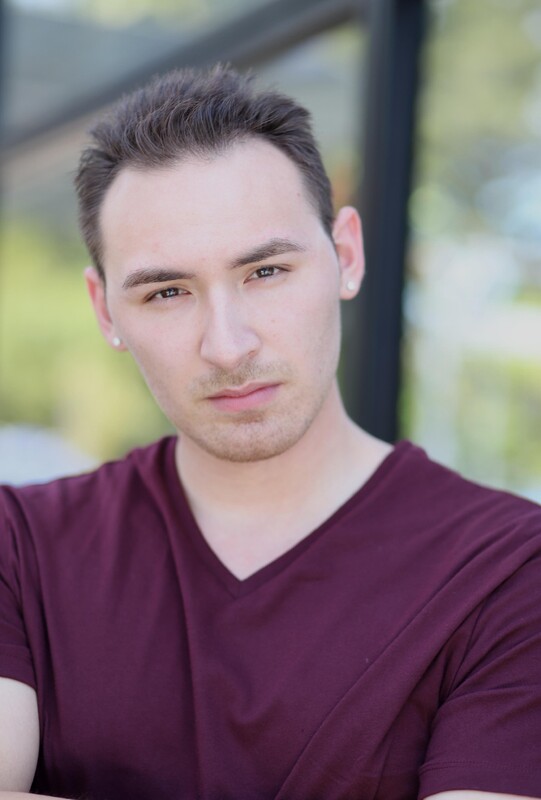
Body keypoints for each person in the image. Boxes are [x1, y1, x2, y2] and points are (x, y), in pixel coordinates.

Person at [0, 65, 540, 800]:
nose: (227, 346)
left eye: (265, 272)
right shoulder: (18, 548)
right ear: (105, 312)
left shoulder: (509, 571)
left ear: (346, 256)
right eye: (167, 292)